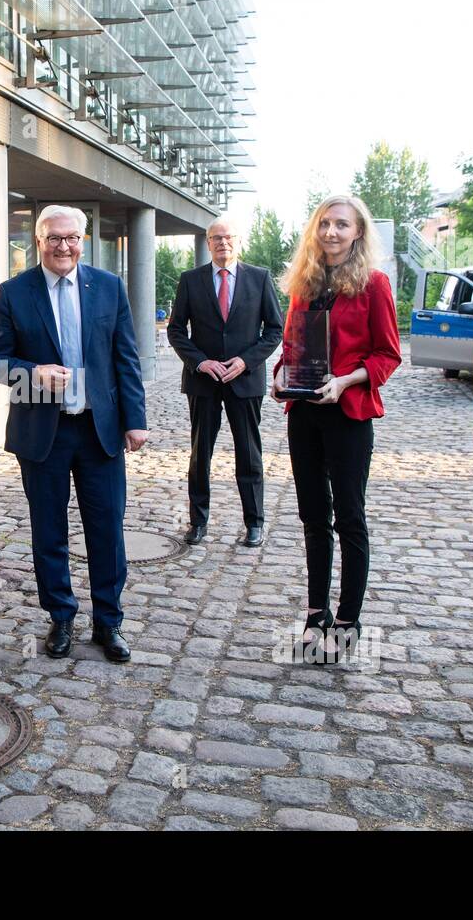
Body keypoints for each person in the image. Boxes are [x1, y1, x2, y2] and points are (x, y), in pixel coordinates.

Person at [0, 205, 148, 662]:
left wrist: (135, 421)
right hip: (44, 435)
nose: (64, 246)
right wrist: (33, 373)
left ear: (84, 240)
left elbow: (126, 359)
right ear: (39, 242)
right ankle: (60, 616)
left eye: (72, 238)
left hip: (100, 432)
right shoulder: (15, 293)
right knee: (49, 531)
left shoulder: (109, 287)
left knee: (107, 530)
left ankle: (108, 622)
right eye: (54, 238)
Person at [272, 195, 400, 664]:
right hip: (304, 413)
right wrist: (281, 376)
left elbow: (388, 355)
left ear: (358, 232)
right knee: (312, 518)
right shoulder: (304, 285)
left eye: (341, 225)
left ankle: (348, 619)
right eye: (324, 223)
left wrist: (346, 380)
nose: (331, 232)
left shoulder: (375, 285)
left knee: (349, 517)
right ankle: (315, 614)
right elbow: (290, 348)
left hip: (349, 414)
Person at [168, 214, 283, 547]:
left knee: (249, 453)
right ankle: (198, 522)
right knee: (199, 454)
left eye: (229, 237)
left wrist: (245, 361)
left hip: (244, 381)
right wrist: (200, 362)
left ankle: (254, 523)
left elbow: (274, 329)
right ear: (208, 243)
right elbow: (176, 330)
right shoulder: (191, 280)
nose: (223, 243)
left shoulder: (259, 279)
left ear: (238, 241)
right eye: (216, 238)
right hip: (203, 381)